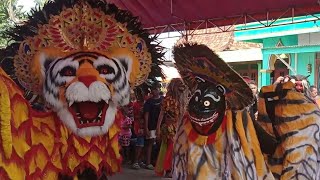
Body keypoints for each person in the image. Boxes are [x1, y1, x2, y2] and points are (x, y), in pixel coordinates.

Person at [155, 78, 188, 178]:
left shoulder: (183, 100)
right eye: (179, 84)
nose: (182, 86)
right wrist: (158, 128)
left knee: (175, 148)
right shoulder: (168, 99)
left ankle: (173, 168)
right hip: (169, 127)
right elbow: (161, 114)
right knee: (171, 147)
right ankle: (169, 169)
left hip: (179, 127)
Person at [143, 83, 163, 170]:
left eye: (157, 89)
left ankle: (159, 163)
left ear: (159, 89)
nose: (155, 91)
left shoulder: (164, 100)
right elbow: (146, 115)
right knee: (150, 143)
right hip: (151, 125)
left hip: (162, 125)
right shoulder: (149, 101)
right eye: (154, 89)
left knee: (161, 144)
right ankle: (148, 163)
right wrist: (146, 127)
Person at [131, 91, 146, 169]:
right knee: (139, 145)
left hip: (146, 126)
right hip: (138, 126)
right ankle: (135, 161)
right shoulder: (135, 104)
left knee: (143, 145)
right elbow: (134, 116)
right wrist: (140, 115)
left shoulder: (146, 102)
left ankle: (140, 160)